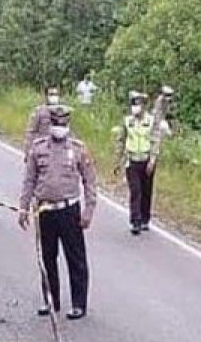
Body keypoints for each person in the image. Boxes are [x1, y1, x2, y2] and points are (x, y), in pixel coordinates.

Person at [18, 105, 97, 320]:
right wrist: (23, 207)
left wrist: (89, 210)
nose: (59, 128)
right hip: (45, 210)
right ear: (50, 124)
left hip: (69, 210)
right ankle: (51, 300)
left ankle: (79, 303)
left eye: (62, 124)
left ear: (67, 125)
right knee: (47, 257)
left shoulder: (78, 148)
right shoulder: (38, 148)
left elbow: (90, 181)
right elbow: (29, 180)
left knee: (76, 258)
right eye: (55, 124)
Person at [113, 90, 170, 234]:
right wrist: (118, 161)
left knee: (146, 191)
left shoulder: (151, 121)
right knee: (135, 191)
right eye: (133, 104)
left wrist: (153, 159)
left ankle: (145, 219)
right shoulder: (127, 121)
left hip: (147, 160)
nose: (135, 108)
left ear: (143, 106)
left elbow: (155, 139)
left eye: (138, 104)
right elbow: (121, 140)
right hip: (132, 160)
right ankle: (135, 221)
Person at [24, 86, 61, 153]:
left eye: (56, 94)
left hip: (58, 150)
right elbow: (31, 132)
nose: (54, 97)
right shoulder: (39, 112)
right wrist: (28, 150)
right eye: (51, 94)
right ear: (46, 96)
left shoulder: (62, 112)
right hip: (42, 149)